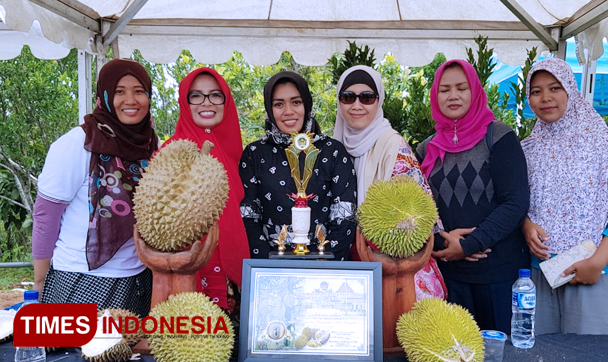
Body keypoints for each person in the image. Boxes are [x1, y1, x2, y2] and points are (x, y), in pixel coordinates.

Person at [521, 58, 608, 335]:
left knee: (594, 353)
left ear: (570, 90)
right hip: (540, 275)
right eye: (536, 91)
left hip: (594, 274)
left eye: (554, 88)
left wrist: (597, 262)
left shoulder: (604, 144)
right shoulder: (527, 151)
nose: (545, 98)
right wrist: (525, 224)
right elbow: (517, 203)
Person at [32, 59, 158, 317]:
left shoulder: (150, 144)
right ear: (104, 95)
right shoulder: (79, 142)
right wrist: (40, 282)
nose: (130, 100)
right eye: (119, 91)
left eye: (139, 91)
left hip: (139, 279)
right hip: (80, 280)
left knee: (129, 355)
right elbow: (46, 215)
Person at [416, 59, 530, 334]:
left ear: (475, 91)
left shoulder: (500, 138)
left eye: (461, 88)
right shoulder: (425, 150)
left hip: (499, 276)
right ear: (435, 95)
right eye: (444, 90)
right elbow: (419, 206)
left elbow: (515, 202)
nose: (453, 96)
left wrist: (469, 244)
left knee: (500, 353)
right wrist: (443, 241)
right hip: (448, 277)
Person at [333, 65, 446, 300]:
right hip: (348, 262)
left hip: (395, 267)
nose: (356, 105)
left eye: (366, 97)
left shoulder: (393, 145)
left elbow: (421, 215)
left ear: (378, 101)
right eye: (348, 97)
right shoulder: (334, 147)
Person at [162, 67, 250, 321]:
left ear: (226, 100)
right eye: (196, 96)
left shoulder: (233, 152)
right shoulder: (171, 153)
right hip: (188, 273)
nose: (206, 103)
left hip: (231, 278)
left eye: (215, 95)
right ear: (185, 102)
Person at [239, 71, 357, 260]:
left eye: (296, 102)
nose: (288, 111)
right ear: (269, 108)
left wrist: (325, 262)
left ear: (307, 105)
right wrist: (266, 265)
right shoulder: (255, 154)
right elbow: (248, 215)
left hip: (325, 268)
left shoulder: (332, 151)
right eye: (279, 104)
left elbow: (344, 215)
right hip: (270, 267)